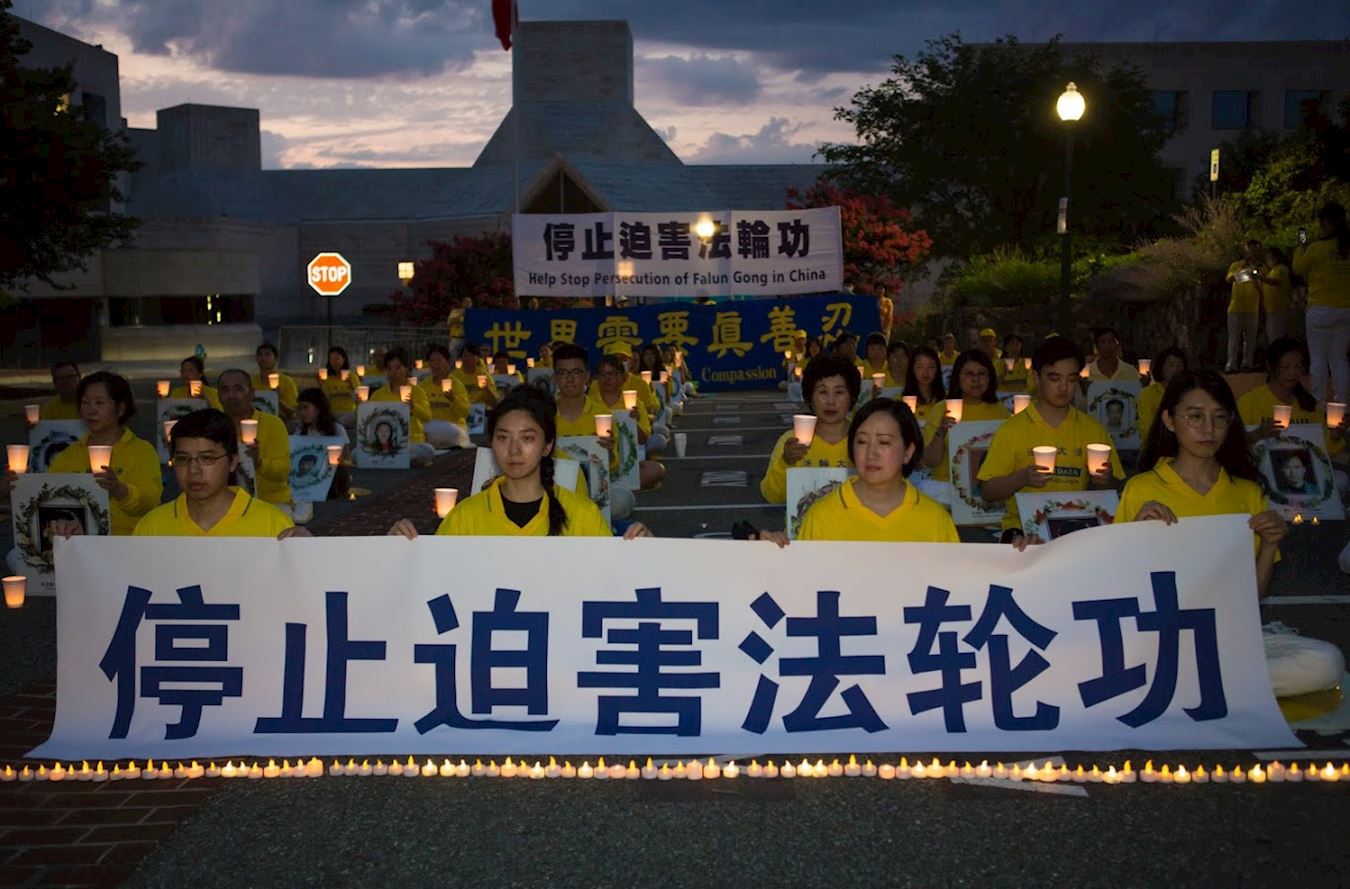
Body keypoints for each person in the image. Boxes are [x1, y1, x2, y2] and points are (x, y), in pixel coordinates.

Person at [1117, 370, 1343, 698]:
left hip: (1228, 633)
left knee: (1326, 662)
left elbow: (1250, 597)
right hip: (1160, 635)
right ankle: (1203, 680)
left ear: (1230, 422)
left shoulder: (1247, 493)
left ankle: (1193, 682)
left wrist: (1269, 545)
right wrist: (1136, 536)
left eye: (1218, 418)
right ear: (1169, 420)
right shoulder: (1142, 489)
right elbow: (1116, 585)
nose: (1207, 429)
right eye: (1195, 417)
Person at [387, 387, 652, 539]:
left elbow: (610, 583)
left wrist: (645, 555)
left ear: (547, 445)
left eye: (527, 438)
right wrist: (396, 552)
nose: (514, 449)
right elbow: (432, 578)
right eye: (503, 438)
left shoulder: (582, 515)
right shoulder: (465, 517)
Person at [978, 336, 1125, 543]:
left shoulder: (1094, 431)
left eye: (1072, 379)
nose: (1064, 387)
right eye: (1055, 379)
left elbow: (1115, 488)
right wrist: (1022, 478)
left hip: (1077, 531)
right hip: (1023, 535)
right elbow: (988, 491)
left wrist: (1106, 480)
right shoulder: (1012, 429)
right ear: (1037, 378)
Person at [764, 399, 958, 543]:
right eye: (862, 441)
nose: (871, 453)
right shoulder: (821, 516)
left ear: (908, 452)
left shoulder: (936, 520)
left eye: (884, 442)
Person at [133, 409, 304, 538]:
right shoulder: (151, 528)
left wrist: (311, 552)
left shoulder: (272, 524)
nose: (193, 470)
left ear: (233, 461)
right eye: (183, 459)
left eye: (207, 458)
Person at [47, 372, 162, 535]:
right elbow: (48, 494)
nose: (91, 410)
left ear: (120, 409)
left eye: (99, 402)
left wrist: (118, 489)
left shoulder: (142, 451)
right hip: (79, 541)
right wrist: (20, 484)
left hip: (125, 542)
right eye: (85, 403)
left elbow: (149, 503)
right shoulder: (70, 454)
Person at [760, 354, 856, 503]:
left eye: (839, 392)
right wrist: (786, 462)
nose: (831, 401)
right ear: (810, 396)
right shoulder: (792, 442)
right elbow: (772, 496)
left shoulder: (863, 440)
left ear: (852, 397)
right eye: (823, 392)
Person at [552, 343, 634, 518]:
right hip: (555, 490)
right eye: (563, 373)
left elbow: (612, 466)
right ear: (555, 378)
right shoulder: (544, 415)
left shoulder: (602, 415)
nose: (569, 379)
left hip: (594, 488)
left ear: (587, 377)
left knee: (623, 500)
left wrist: (609, 451)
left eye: (576, 372)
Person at [920, 350, 1010, 503]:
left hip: (988, 491)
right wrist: (941, 432)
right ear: (957, 378)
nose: (976, 379)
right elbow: (930, 462)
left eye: (982, 374)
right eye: (969, 374)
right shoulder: (942, 409)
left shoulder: (1000, 410)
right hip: (946, 490)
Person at [1239, 338, 1345, 458]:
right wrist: (1258, 434)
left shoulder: (1308, 404)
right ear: (1271, 366)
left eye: (1298, 367)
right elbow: (1232, 445)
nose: (1292, 373)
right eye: (1285, 367)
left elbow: (1325, 448)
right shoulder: (1250, 402)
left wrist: (1335, 437)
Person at [1294, 202, 1350, 403]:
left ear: (1326, 222)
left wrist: (1301, 247)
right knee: (1339, 359)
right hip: (1346, 310)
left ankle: (1318, 404)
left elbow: (1298, 268)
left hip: (1320, 309)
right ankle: (1343, 404)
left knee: (1318, 358)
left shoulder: (1317, 248)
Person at [217, 369, 293, 514]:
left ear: (251, 393)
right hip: (224, 504)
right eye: (225, 390)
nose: (231, 396)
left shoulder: (272, 424)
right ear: (218, 396)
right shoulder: (213, 426)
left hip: (270, 502)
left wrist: (259, 462)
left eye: (238, 389)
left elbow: (283, 472)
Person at [592, 354, 666, 490]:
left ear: (622, 377)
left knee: (656, 470)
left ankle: (618, 486)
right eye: (603, 374)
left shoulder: (634, 403)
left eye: (613, 373)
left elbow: (644, 440)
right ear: (597, 378)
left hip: (627, 463)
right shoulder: (589, 403)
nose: (607, 379)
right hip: (597, 466)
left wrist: (634, 422)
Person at [368, 347, 434, 466]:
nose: (394, 372)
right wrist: (360, 406)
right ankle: (395, 459)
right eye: (390, 368)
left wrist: (413, 406)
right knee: (355, 454)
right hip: (385, 444)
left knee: (427, 451)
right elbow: (368, 419)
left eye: (398, 367)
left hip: (411, 442)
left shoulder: (417, 392)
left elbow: (427, 417)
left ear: (406, 369)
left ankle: (388, 460)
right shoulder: (379, 394)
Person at [420, 345, 472, 449]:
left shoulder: (456, 385)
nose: (435, 365)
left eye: (439, 360)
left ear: (447, 362)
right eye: (432, 361)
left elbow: (465, 412)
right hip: (430, 428)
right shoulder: (424, 385)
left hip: (452, 428)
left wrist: (453, 399)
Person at [1225, 239, 1263, 373]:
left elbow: (1262, 289)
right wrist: (1243, 269)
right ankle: (1231, 364)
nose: (1252, 252)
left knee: (1250, 339)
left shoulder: (1261, 267)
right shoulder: (1236, 265)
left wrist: (1255, 277)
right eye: (1250, 249)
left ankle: (1247, 363)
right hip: (1236, 307)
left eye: (1255, 249)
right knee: (1234, 338)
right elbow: (1229, 279)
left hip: (1252, 308)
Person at [1137, 346, 1188, 441]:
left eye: (1179, 365)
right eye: (1171, 365)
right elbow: (1146, 429)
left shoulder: (1189, 393)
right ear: (1162, 368)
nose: (1176, 370)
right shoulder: (1148, 393)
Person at [252, 343, 298, 423]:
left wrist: (277, 399)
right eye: (260, 355)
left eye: (267, 355)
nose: (263, 358)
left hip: (279, 422)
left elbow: (294, 414)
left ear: (275, 358)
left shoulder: (287, 382)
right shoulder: (251, 381)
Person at [451, 342, 501, 411]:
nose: (468, 359)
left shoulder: (483, 374)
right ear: (461, 358)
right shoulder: (454, 376)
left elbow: (496, 403)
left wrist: (487, 389)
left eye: (472, 356)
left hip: (479, 412)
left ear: (478, 359)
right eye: (466, 355)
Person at [320, 346, 360, 429]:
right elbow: (324, 399)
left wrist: (350, 384)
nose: (334, 362)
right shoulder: (326, 377)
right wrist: (321, 384)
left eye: (337, 359)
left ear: (344, 359)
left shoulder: (352, 376)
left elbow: (359, 398)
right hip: (332, 412)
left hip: (348, 412)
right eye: (331, 359)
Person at [1259, 245, 1293, 345]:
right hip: (1271, 310)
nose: (1267, 260)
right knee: (1272, 338)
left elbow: (1275, 282)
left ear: (1275, 258)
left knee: (1277, 339)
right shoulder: (1272, 271)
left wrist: (1261, 277)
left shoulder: (1281, 269)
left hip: (1279, 310)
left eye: (1268, 258)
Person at [902, 345, 944, 410]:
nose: (925, 373)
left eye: (930, 367)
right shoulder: (902, 401)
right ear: (912, 369)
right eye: (920, 367)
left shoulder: (946, 401)